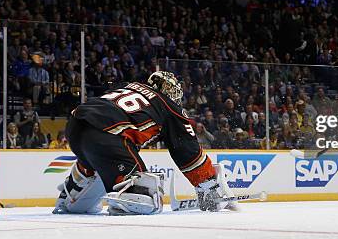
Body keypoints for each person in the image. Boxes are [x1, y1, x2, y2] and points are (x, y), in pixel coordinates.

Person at [53, 71, 236, 215]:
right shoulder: (169, 106)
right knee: (148, 196)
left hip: (76, 123)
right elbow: (187, 152)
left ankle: (71, 194)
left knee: (99, 159)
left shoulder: (129, 86)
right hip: (108, 134)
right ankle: (125, 198)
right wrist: (209, 185)